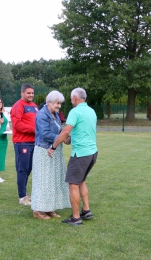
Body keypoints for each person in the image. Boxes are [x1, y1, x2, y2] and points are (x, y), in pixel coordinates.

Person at [48, 87, 98, 226]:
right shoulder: (91, 111)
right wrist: (70, 139)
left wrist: (53, 147)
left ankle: (76, 218)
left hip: (81, 154)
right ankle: (86, 210)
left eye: (71, 99)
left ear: (75, 98)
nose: (71, 101)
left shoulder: (75, 112)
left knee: (73, 185)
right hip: (92, 152)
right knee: (81, 181)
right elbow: (83, 131)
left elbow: (65, 131)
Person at [31, 90, 71, 220]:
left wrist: (65, 136)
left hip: (55, 151)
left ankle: (49, 208)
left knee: (53, 180)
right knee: (43, 181)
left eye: (60, 103)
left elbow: (59, 129)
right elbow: (45, 134)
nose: (59, 106)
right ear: (49, 102)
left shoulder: (55, 115)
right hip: (43, 151)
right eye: (57, 103)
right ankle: (38, 210)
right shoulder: (42, 115)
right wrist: (61, 138)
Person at [10, 83, 38, 205]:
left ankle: (25, 193)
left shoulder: (34, 106)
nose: (31, 95)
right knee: (22, 169)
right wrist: (35, 130)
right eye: (28, 93)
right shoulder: (18, 106)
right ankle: (22, 197)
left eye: (32, 93)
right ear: (22, 93)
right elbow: (17, 125)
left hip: (33, 143)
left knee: (29, 169)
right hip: (22, 142)